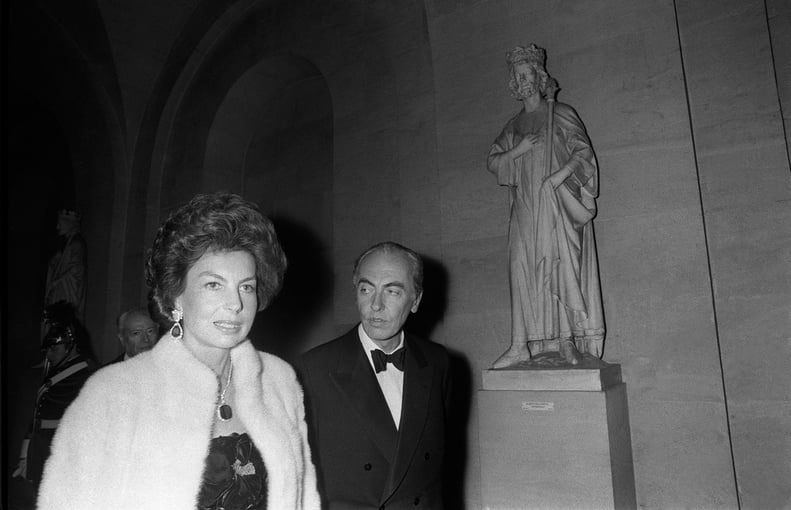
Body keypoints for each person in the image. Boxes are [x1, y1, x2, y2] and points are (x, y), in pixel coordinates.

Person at [38, 192, 320, 510]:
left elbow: (303, 499)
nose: (236, 304)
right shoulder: (113, 394)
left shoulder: (279, 382)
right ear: (175, 297)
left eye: (246, 286)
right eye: (214, 284)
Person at [298, 242, 451, 509]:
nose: (376, 305)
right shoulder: (313, 369)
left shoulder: (438, 362)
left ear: (415, 301)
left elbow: (438, 468)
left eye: (392, 291)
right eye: (366, 289)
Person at [486, 44, 605, 367]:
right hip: (525, 208)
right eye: (517, 76)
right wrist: (518, 150)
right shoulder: (513, 127)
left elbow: (583, 154)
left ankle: (567, 341)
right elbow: (494, 162)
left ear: (539, 78)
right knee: (521, 272)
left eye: (527, 74)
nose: (522, 81)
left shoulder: (561, 113)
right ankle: (519, 345)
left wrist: (560, 175)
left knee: (558, 266)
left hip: (555, 206)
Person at [11, 318, 94, 507]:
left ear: (70, 347)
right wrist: (26, 455)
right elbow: (37, 416)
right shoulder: (55, 372)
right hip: (40, 448)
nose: (48, 355)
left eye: (54, 349)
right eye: (47, 349)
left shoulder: (86, 373)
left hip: (64, 451)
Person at [44, 209, 87, 320]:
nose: (58, 227)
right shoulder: (67, 246)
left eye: (60, 224)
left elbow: (77, 269)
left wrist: (55, 282)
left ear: (69, 224)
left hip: (68, 294)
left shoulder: (77, 244)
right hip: (61, 293)